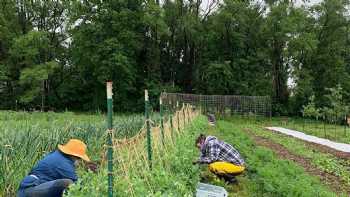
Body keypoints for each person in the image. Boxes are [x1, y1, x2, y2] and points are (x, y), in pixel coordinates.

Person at [17, 139, 96, 197]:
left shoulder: (59, 156)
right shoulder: (63, 163)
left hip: (37, 187)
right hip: (28, 191)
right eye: (79, 159)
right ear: (73, 156)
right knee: (67, 183)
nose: (79, 162)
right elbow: (78, 186)